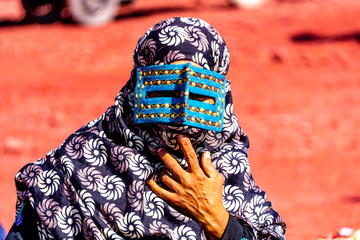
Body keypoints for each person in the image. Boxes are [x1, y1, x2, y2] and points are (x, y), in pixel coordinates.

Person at [6, 17, 286, 240]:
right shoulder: (71, 171)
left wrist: (219, 221)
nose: (181, 116)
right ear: (137, 90)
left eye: (200, 96)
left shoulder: (226, 166)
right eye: (165, 92)